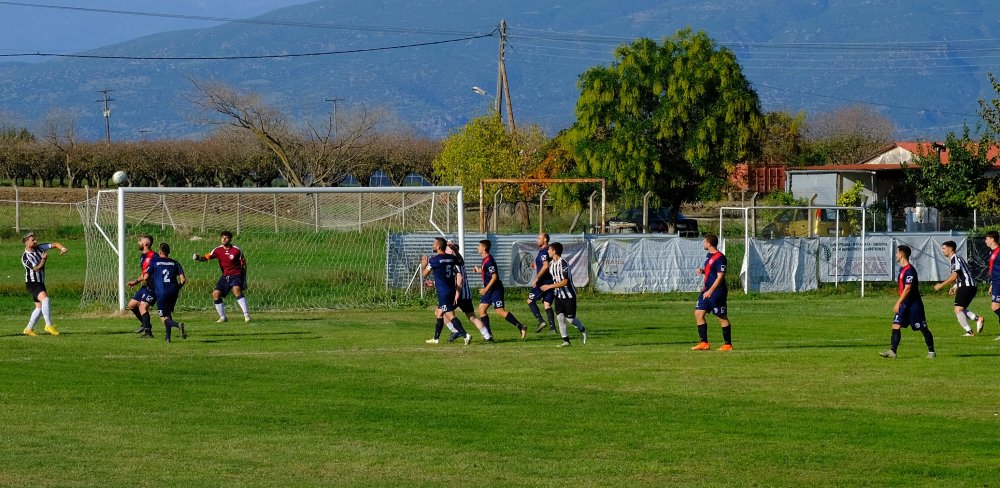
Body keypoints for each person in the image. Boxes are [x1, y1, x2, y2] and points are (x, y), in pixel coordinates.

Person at [881, 245, 936, 358]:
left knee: (923, 328)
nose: (896, 255)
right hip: (904, 304)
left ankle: (931, 351)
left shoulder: (910, 270)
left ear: (901, 254)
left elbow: (908, 288)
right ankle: (893, 352)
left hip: (914, 305)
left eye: (897, 253)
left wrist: (897, 303)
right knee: (896, 325)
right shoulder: (902, 269)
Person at [473, 239, 528, 339]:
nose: (477, 248)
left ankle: (521, 327)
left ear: (484, 248)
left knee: (499, 311)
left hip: (495, 290)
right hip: (490, 290)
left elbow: (494, 276)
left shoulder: (489, 260)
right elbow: (488, 272)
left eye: (479, 246)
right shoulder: (485, 259)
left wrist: (485, 289)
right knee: (481, 310)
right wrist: (479, 270)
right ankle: (489, 335)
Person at [193, 230, 250, 323]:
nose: (224, 239)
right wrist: (199, 258)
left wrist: (244, 279)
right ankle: (223, 317)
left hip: (236, 274)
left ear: (230, 239)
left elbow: (243, 264)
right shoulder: (217, 250)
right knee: (215, 294)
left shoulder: (236, 250)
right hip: (225, 276)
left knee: (236, 290)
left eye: (226, 237)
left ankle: (246, 315)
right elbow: (207, 257)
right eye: (222, 237)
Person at [421, 237, 469, 345]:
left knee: (450, 315)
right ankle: (436, 338)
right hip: (451, 290)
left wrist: (424, 264)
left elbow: (424, 274)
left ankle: (465, 335)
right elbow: (461, 262)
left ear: (438, 246)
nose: (433, 245)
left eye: (434, 244)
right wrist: (456, 251)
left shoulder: (434, 260)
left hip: (443, 292)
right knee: (439, 312)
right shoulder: (451, 258)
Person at [21, 232, 68, 336]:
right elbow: (36, 269)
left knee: (39, 307)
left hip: (40, 282)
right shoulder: (25, 257)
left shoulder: (39, 248)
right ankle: (48, 325)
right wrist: (43, 259)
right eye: (33, 240)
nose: (35, 241)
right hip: (32, 283)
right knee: (45, 299)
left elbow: (54, 244)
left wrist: (63, 248)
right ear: (26, 242)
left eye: (35, 239)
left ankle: (28, 329)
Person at [541, 242, 587, 347]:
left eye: (549, 249)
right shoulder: (551, 264)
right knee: (560, 318)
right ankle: (566, 341)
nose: (548, 251)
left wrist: (549, 287)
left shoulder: (563, 263)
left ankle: (583, 330)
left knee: (570, 320)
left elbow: (565, 282)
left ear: (554, 251)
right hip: (558, 296)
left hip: (569, 296)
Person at [933, 240, 983, 336]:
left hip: (966, 286)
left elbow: (954, 275)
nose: (942, 251)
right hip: (969, 286)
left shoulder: (955, 259)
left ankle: (970, 332)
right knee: (961, 309)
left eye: (944, 248)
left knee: (958, 310)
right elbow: (963, 274)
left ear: (951, 249)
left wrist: (941, 285)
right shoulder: (958, 258)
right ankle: (977, 319)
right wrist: (955, 286)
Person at [692, 234, 732, 351]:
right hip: (706, 290)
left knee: (721, 317)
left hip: (717, 291)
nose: (703, 244)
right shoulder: (708, 255)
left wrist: (711, 291)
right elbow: (712, 272)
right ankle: (704, 343)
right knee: (699, 313)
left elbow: (720, 277)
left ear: (709, 243)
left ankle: (727, 344)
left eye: (704, 242)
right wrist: (703, 271)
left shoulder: (720, 258)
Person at [448, 242, 492, 343]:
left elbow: (460, 279)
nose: (446, 251)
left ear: (452, 251)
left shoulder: (454, 262)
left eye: (448, 250)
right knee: (472, 317)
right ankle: (487, 336)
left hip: (459, 294)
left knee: (441, 310)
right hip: (467, 294)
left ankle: (456, 331)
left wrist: (457, 294)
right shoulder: (460, 261)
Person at [150, 242, 187, 343]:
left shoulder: (155, 262)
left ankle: (177, 325)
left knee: (163, 317)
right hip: (173, 291)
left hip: (161, 292)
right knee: (168, 313)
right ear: (169, 252)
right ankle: (167, 338)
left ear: (160, 252)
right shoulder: (175, 263)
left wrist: (153, 287)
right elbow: (183, 280)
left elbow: (146, 277)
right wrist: (177, 288)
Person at [126, 234, 157, 337]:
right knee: (131, 305)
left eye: (140, 241)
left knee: (142, 307)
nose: (138, 242)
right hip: (146, 286)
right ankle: (145, 324)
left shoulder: (154, 256)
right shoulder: (142, 256)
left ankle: (148, 332)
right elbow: (144, 274)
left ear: (146, 243)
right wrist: (136, 281)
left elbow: (151, 273)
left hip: (154, 287)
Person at [527, 233, 556, 333]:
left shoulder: (544, 251)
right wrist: (536, 266)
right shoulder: (548, 251)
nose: (537, 240)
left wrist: (537, 278)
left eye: (539, 238)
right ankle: (553, 328)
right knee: (547, 304)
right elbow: (546, 265)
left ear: (545, 240)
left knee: (530, 300)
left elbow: (546, 265)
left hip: (543, 281)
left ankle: (541, 321)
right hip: (550, 281)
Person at [986, 231, 1000, 340]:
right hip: (995, 282)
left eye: (987, 239)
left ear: (992, 239)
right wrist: (992, 284)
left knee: (995, 307)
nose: (985, 241)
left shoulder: (999, 252)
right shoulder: (992, 252)